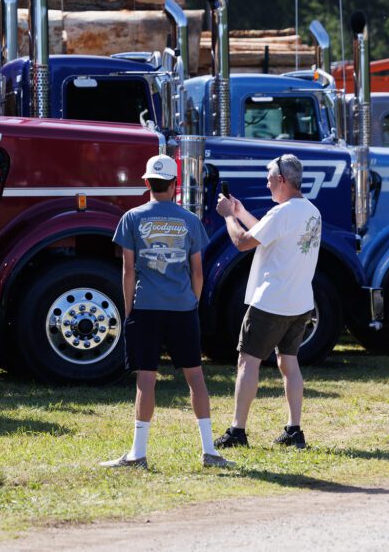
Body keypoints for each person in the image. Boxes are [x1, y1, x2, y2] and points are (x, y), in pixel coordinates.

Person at [101, 154, 234, 469]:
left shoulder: (131, 218)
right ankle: (209, 451)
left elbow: (128, 270)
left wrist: (129, 307)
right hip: (182, 308)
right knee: (195, 377)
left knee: (146, 379)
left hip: (145, 307)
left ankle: (138, 453)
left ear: (146, 182)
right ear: (176, 186)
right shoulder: (189, 220)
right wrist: (192, 303)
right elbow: (197, 273)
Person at [213, 154, 322, 450]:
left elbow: (243, 242)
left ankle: (238, 430)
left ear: (283, 181)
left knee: (247, 362)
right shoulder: (310, 211)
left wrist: (227, 216)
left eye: (270, 178)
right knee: (289, 363)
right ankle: (294, 430)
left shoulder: (283, 212)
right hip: (299, 302)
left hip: (271, 301)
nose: (267, 183)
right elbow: (269, 233)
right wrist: (242, 212)